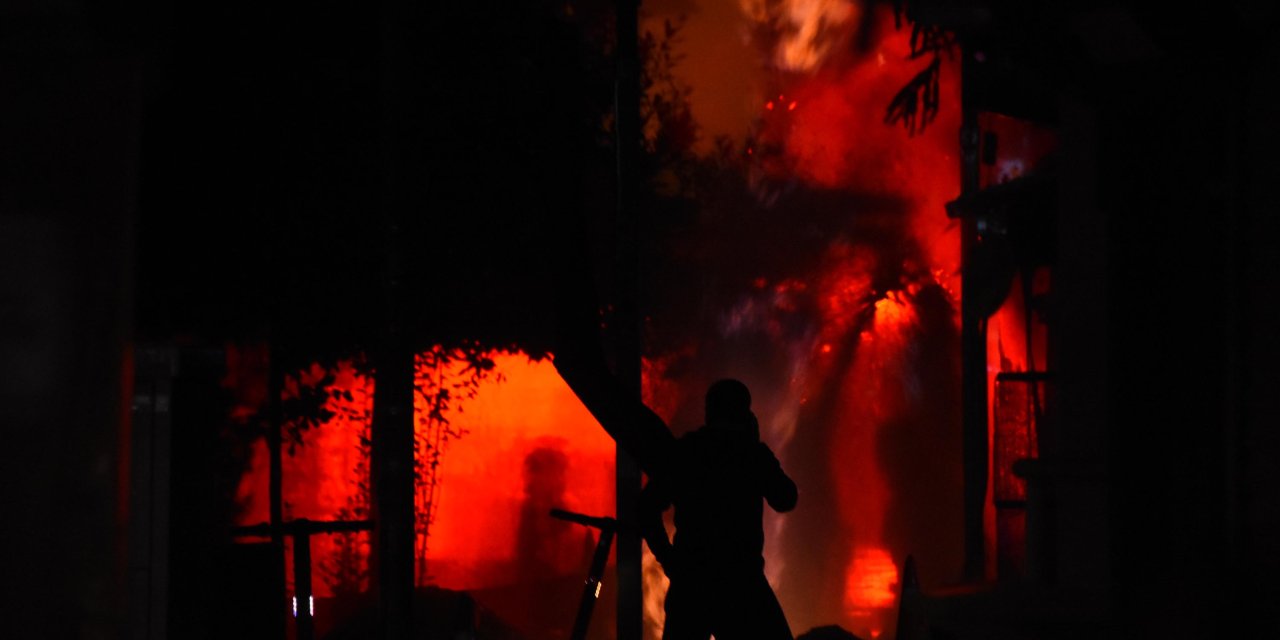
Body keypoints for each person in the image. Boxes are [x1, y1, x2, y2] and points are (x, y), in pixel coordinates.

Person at [639, 379, 798, 640]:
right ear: (745, 413)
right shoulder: (751, 454)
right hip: (741, 583)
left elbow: (646, 507)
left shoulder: (686, 451)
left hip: (691, 583)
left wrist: (669, 559)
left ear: (709, 412)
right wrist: (756, 448)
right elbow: (786, 499)